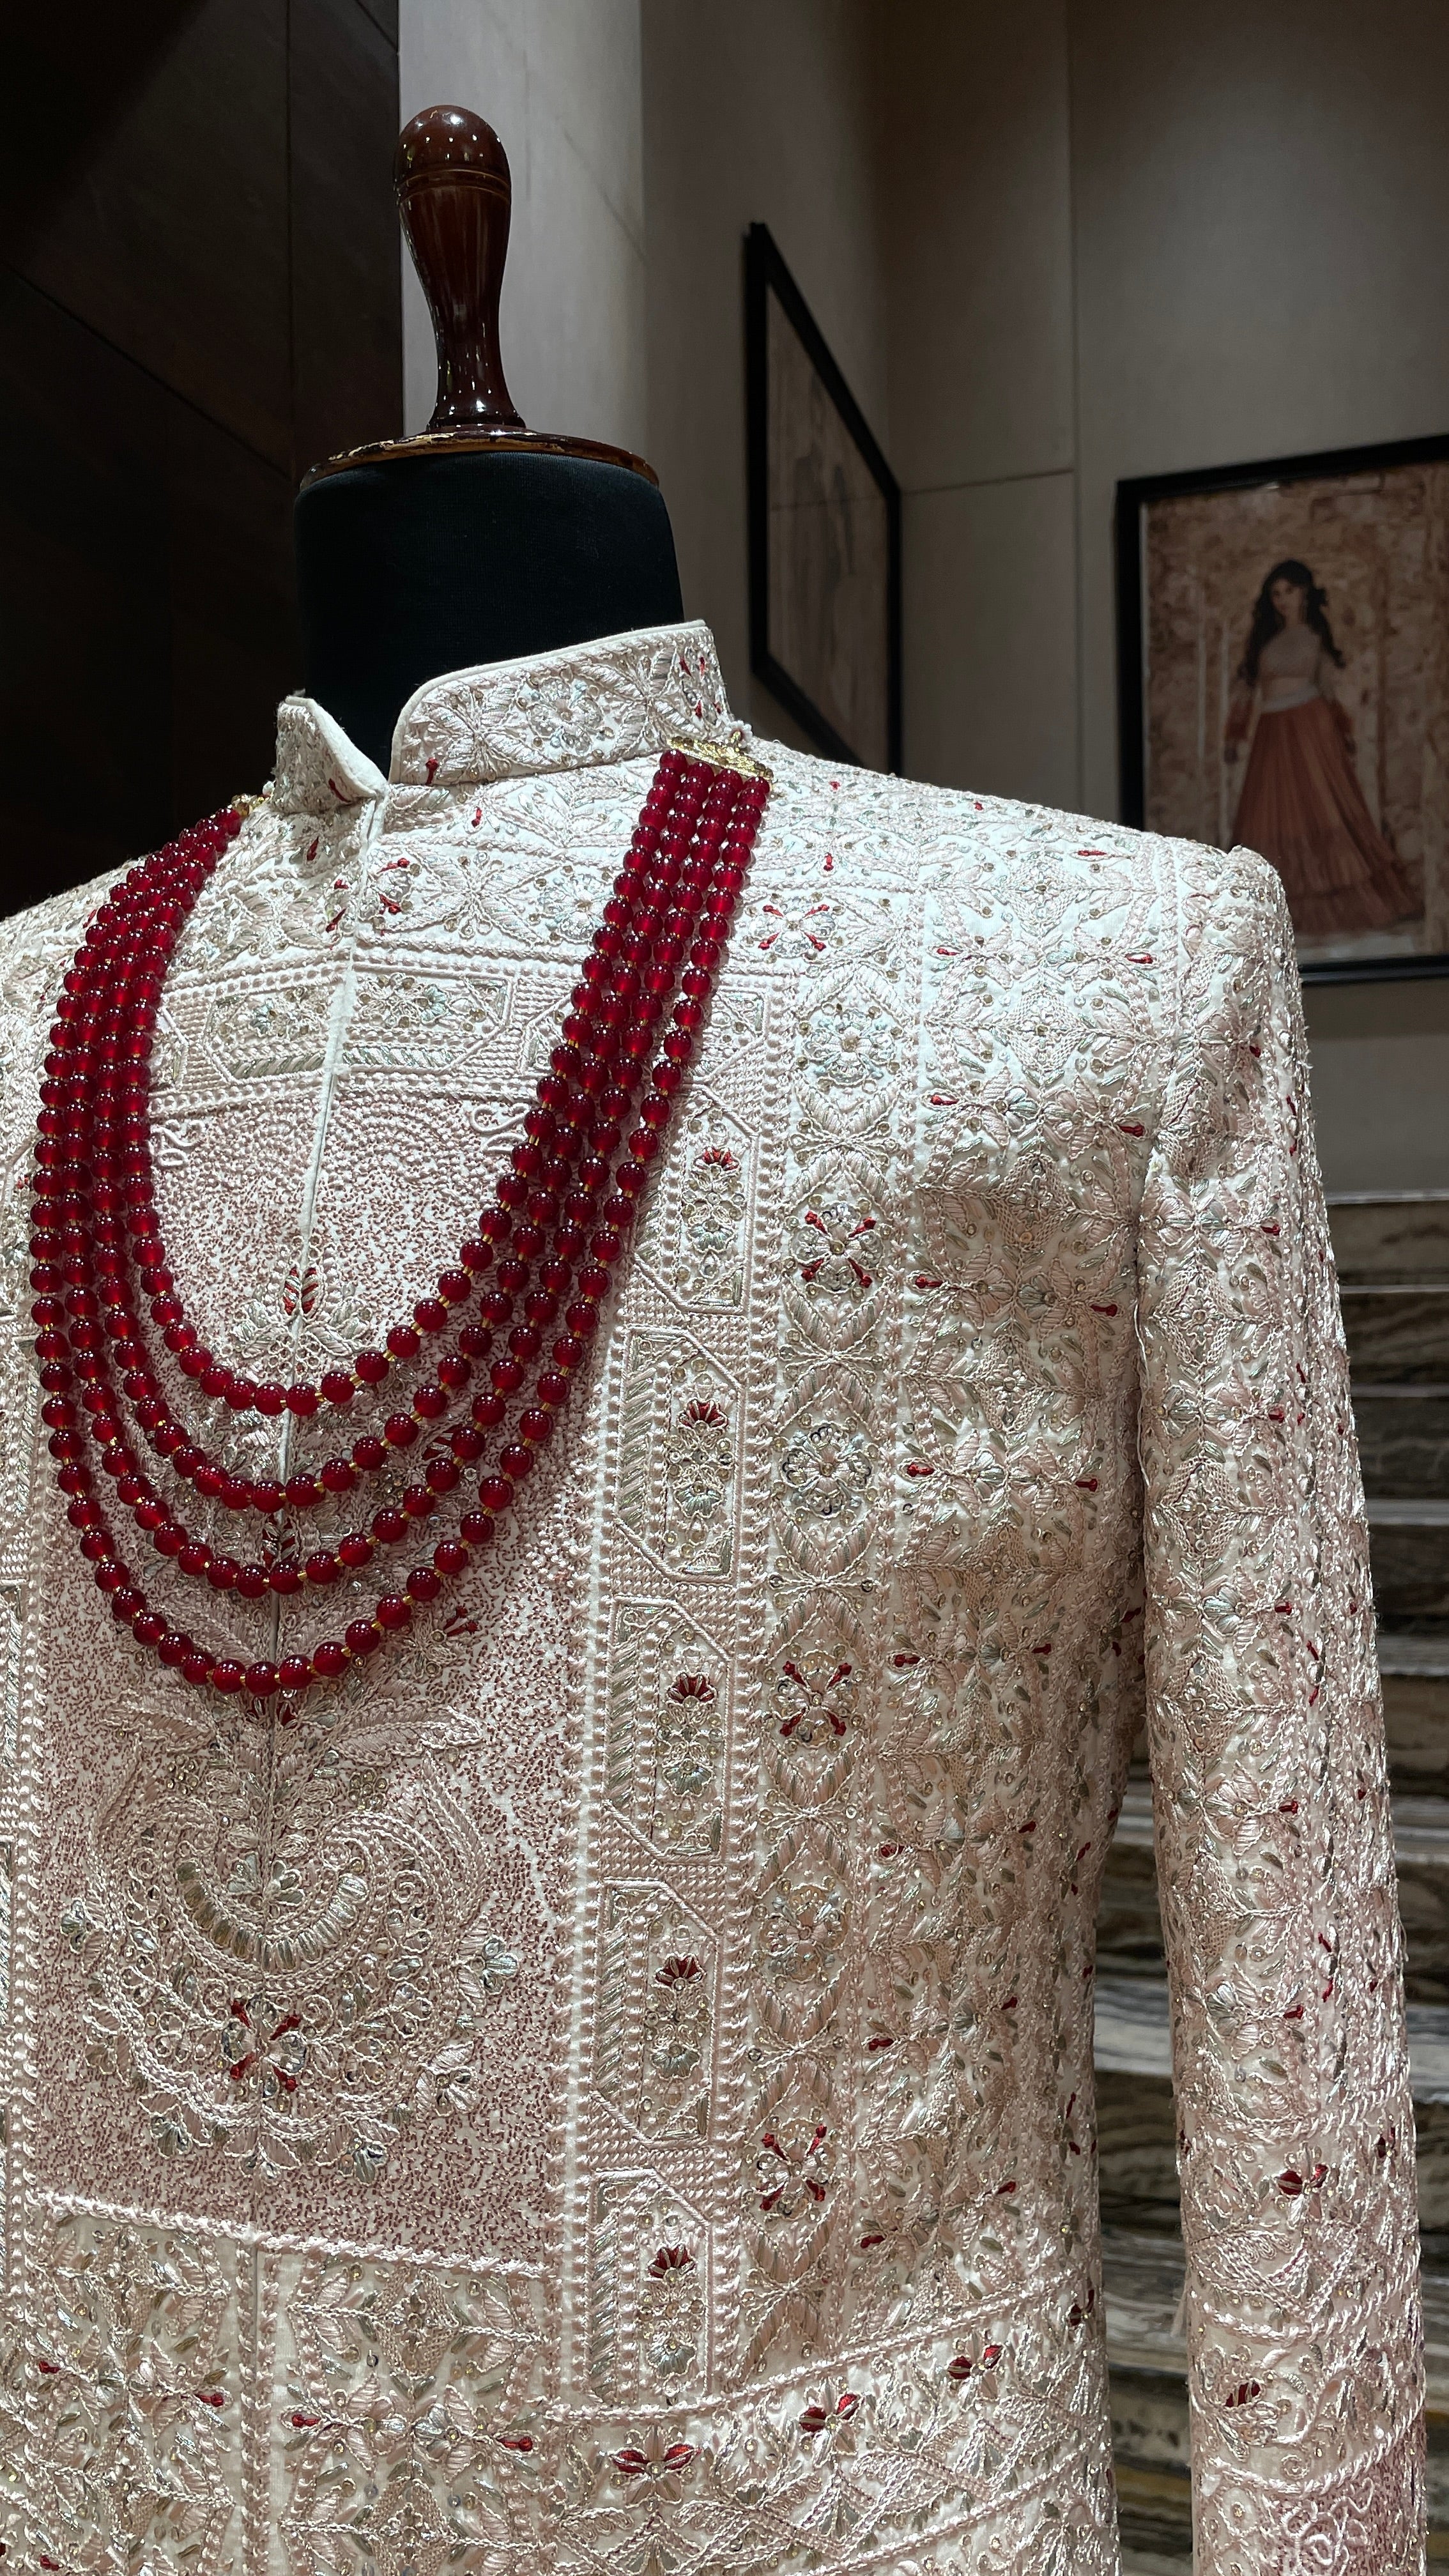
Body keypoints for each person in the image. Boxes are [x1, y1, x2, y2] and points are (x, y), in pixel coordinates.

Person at [1225, 555, 1415, 937]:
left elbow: (1329, 691)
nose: (1282, 600)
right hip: (1273, 733)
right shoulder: (1263, 641)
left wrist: (1344, 731)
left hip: (1312, 729)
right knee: (1272, 813)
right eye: (1276, 594)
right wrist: (1235, 733)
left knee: (1322, 807)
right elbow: (1246, 691)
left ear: (1305, 593)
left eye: (1289, 591)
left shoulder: (1316, 638)